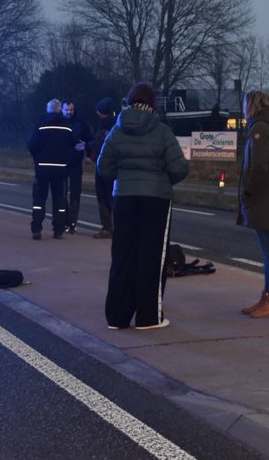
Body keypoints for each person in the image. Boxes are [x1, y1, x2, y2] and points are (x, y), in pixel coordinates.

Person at [97, 82, 189, 330]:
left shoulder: (117, 131)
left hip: (124, 197)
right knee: (152, 256)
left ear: (129, 101)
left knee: (122, 254)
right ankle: (149, 317)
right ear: (153, 104)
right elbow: (180, 168)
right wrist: (162, 178)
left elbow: (103, 167)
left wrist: (122, 177)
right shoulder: (162, 132)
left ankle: (117, 316)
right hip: (156, 199)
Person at [237, 89, 269, 319]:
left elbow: (259, 166)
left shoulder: (260, 130)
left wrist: (248, 191)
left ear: (252, 106)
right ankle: (267, 296)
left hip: (265, 198)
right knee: (268, 249)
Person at [27, 99, 73, 240]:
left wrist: (38, 158)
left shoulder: (40, 125)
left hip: (42, 169)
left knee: (39, 200)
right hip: (60, 170)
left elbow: (31, 144)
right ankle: (58, 230)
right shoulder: (67, 127)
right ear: (59, 110)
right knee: (59, 201)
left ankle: (36, 229)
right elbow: (71, 147)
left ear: (48, 109)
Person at [88, 97, 118, 239]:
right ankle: (111, 227)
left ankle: (108, 228)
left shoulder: (108, 128)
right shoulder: (115, 126)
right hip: (109, 167)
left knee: (106, 199)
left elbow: (99, 146)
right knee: (109, 198)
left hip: (107, 168)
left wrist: (91, 155)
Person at [61, 100, 93, 234]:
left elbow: (90, 139)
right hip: (61, 163)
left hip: (75, 163)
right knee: (61, 194)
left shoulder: (81, 124)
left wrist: (88, 153)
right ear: (62, 110)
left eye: (71, 110)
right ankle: (63, 221)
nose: (69, 112)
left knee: (75, 194)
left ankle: (72, 223)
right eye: (67, 110)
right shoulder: (58, 123)